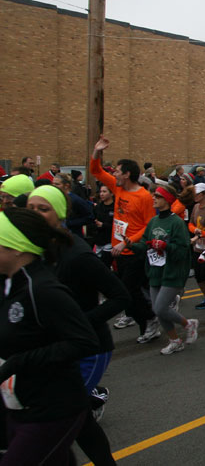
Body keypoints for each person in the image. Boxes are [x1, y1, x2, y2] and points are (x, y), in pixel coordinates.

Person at [26, 186, 129, 464]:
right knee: (77, 418)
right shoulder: (35, 247)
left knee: (59, 418)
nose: (35, 213)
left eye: (43, 208)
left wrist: (79, 322)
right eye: (31, 208)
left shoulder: (77, 255)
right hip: (57, 346)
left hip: (89, 349)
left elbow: (120, 296)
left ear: (59, 214)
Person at [0, 208, 100, 465]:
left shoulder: (44, 289)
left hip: (53, 409)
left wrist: (16, 363)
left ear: (17, 248)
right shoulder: (9, 282)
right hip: (19, 406)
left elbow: (84, 341)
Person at [90, 135, 160, 344]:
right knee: (126, 293)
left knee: (126, 293)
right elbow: (96, 171)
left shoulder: (144, 196)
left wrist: (126, 242)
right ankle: (147, 322)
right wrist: (97, 151)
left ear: (127, 174)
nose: (115, 174)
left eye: (118, 171)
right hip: (117, 250)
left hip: (134, 251)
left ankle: (150, 319)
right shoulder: (118, 187)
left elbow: (149, 225)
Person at [126, 185, 197, 355]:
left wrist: (166, 246)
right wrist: (132, 246)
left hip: (172, 271)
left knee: (160, 308)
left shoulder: (177, 223)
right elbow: (144, 244)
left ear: (166, 200)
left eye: (157, 196)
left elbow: (183, 249)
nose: (153, 198)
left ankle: (189, 324)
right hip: (155, 271)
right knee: (159, 311)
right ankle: (175, 340)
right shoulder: (153, 221)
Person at [188, 183, 205, 309]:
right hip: (197, 247)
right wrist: (195, 230)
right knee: (199, 276)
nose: (195, 196)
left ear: (204, 194)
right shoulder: (195, 207)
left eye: (197, 194)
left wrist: (201, 234)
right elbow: (191, 223)